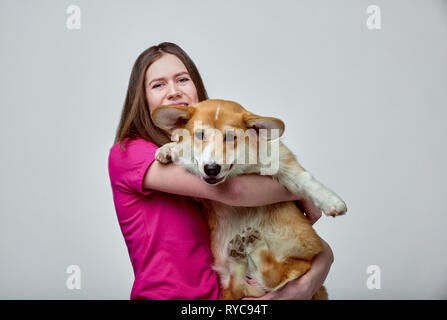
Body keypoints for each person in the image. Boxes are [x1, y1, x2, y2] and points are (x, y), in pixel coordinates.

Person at [108, 42, 334, 300]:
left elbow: (301, 240)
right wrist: (300, 191)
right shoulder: (129, 153)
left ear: (196, 87)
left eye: (182, 79)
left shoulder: (216, 155)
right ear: (142, 98)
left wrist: (317, 268)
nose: (173, 91)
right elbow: (234, 192)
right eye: (158, 85)